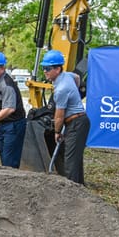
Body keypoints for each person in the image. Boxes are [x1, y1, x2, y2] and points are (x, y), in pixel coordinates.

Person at [41, 49, 89, 184]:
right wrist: (75, 95)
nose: (45, 71)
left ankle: (72, 194)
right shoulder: (67, 76)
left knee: (70, 163)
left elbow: (59, 116)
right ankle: (80, 188)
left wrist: (57, 132)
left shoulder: (61, 89)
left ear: (57, 69)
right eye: (43, 68)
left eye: (48, 68)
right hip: (79, 121)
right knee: (76, 159)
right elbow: (77, 78)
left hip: (76, 123)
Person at [0, 51, 27, 168]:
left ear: (2, 68)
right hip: (5, 124)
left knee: (9, 161)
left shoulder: (7, 85)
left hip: (14, 126)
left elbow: (9, 109)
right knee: (4, 158)